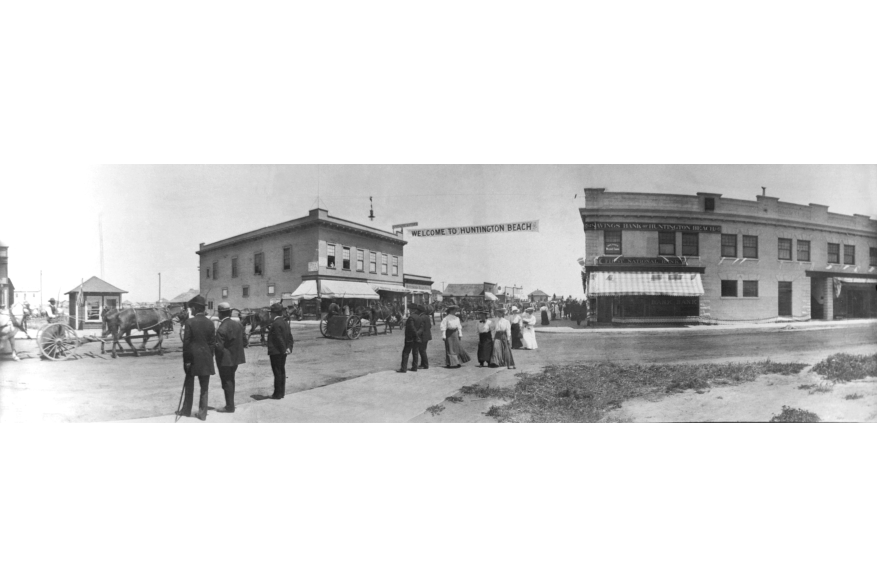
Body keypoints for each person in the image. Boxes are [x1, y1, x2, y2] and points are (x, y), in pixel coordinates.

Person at [178, 295, 215, 421]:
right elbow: (211, 344)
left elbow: (186, 344)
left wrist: (186, 360)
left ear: (195, 308)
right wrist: (209, 357)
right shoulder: (210, 323)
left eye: (191, 308)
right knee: (204, 388)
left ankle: (186, 411)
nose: (191, 310)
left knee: (189, 385)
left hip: (192, 360)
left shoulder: (189, 322)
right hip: (206, 359)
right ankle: (202, 413)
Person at [214, 302, 247, 413]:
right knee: (231, 381)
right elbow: (244, 341)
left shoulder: (221, 328)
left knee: (227, 382)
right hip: (235, 359)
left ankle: (229, 407)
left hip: (225, 361)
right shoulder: (238, 324)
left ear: (220, 314)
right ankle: (230, 404)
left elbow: (219, 348)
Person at [267, 302, 293, 399]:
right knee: (282, 371)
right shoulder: (285, 322)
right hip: (283, 352)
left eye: (271, 312)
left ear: (274, 313)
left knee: (277, 372)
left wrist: (283, 349)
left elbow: (278, 338)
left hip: (276, 352)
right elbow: (290, 337)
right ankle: (281, 393)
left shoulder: (275, 323)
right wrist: (288, 348)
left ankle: (277, 394)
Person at [399, 305, 423, 373]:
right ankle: (414, 367)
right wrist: (417, 335)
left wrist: (415, 334)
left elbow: (412, 328)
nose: (409, 310)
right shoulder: (419, 317)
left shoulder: (411, 318)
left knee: (406, 353)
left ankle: (404, 368)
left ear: (413, 310)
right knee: (415, 353)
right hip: (417, 338)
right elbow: (422, 328)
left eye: (410, 309)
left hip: (410, 338)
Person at [417, 304, 433, 370]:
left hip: (422, 336)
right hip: (427, 336)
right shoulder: (427, 317)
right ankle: (422, 364)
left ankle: (426, 365)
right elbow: (430, 326)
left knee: (422, 350)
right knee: (423, 350)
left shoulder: (421, 317)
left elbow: (421, 328)